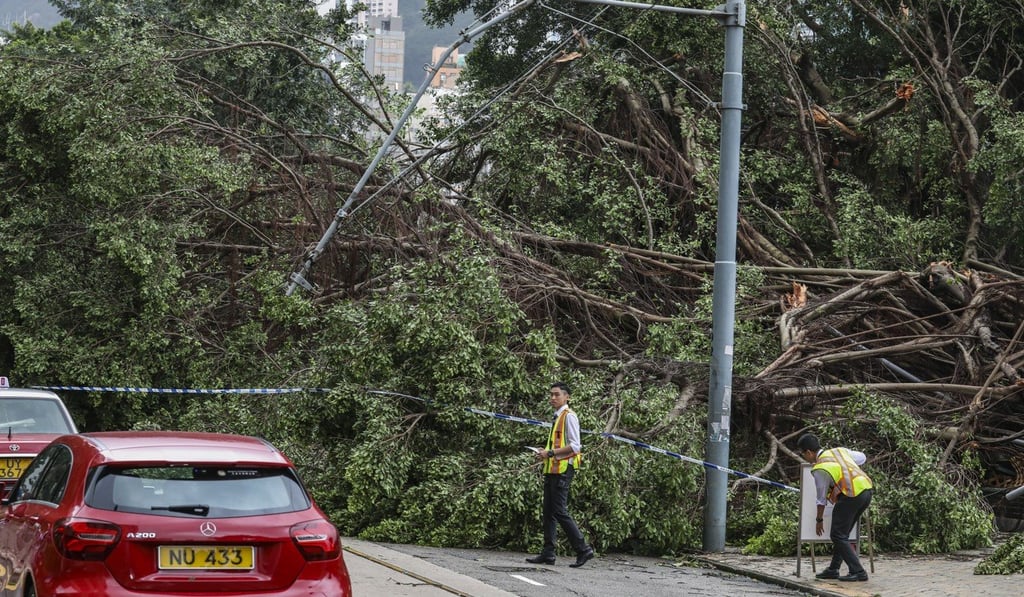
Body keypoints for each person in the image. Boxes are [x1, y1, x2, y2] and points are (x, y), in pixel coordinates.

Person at [525, 382, 595, 568]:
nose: (552, 398)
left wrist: (549, 453)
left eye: (556, 395)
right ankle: (548, 552)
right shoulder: (558, 417)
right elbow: (557, 445)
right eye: (551, 394)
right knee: (548, 511)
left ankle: (583, 549)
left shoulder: (569, 417)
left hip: (563, 471)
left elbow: (575, 446)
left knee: (559, 511)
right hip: (553, 469)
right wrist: (545, 451)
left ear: (567, 397)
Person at [797, 433, 874, 582]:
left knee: (837, 535)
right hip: (866, 490)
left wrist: (819, 520)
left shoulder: (821, 468)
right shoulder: (839, 451)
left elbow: (820, 500)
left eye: (803, 454)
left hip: (850, 495)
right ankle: (833, 569)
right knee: (842, 535)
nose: (804, 458)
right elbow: (862, 457)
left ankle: (858, 571)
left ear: (809, 452)